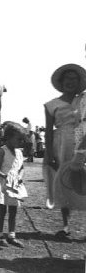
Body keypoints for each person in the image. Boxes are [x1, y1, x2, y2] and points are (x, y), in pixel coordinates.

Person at [44, 63, 86, 239]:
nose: (70, 82)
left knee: (83, 182)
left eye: (74, 79)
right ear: (61, 82)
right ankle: (66, 226)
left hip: (82, 142)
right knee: (63, 181)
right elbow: (47, 132)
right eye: (67, 79)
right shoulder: (51, 104)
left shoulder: (83, 100)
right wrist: (48, 154)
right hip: (61, 144)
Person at [0, 122, 27, 248]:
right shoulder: (2, 151)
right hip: (3, 183)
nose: (20, 142)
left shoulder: (19, 152)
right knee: (3, 210)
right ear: (9, 137)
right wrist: (6, 177)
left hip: (14, 185)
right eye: (18, 139)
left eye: (22, 139)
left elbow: (21, 168)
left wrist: (19, 177)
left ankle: (12, 235)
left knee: (13, 210)